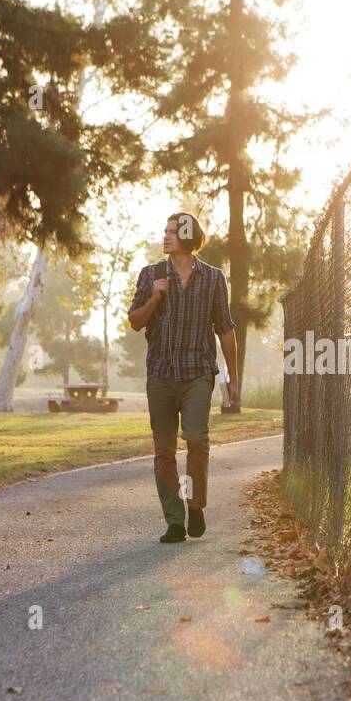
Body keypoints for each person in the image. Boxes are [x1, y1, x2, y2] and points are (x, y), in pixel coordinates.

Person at [127, 213, 239, 543]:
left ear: (190, 237)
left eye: (173, 232)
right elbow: (135, 321)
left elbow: (226, 329)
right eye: (165, 231)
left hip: (197, 373)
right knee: (163, 450)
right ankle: (175, 519)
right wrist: (155, 297)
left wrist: (234, 378)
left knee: (195, 437)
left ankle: (196, 503)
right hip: (161, 374)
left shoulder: (213, 278)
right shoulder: (151, 275)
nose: (166, 237)